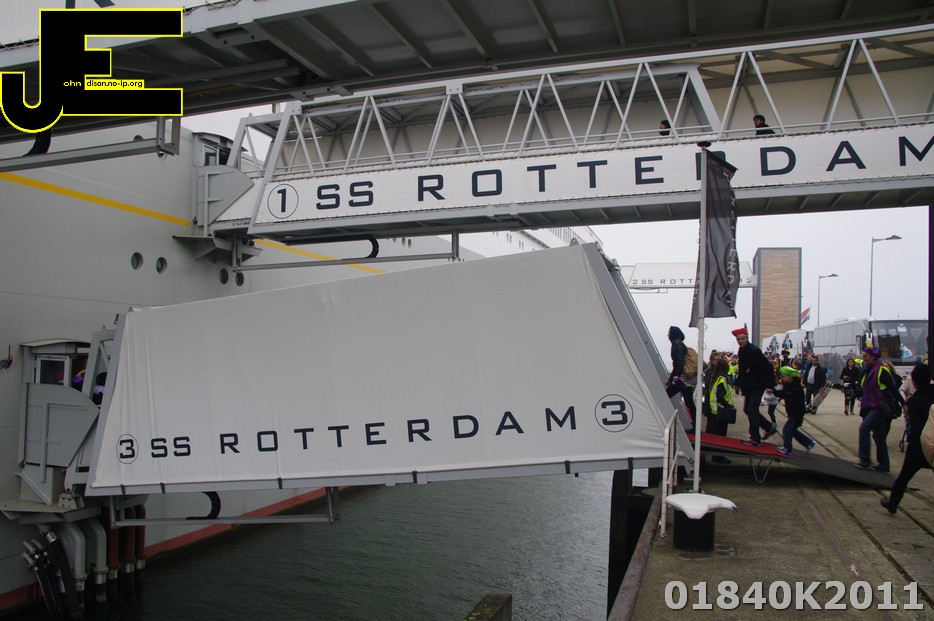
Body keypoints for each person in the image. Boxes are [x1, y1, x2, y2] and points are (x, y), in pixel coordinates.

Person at [880, 364, 934, 513]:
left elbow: (916, 427)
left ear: (914, 382)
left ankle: (892, 504)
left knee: (904, 477)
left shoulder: (914, 401)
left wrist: (913, 444)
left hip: (920, 445)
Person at [855, 347, 906, 472]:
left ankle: (865, 460)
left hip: (879, 407)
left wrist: (904, 404)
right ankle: (884, 465)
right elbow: (864, 388)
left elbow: (893, 389)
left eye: (865, 357)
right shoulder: (866, 370)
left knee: (864, 429)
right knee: (879, 436)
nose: (863, 359)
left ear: (873, 357)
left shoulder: (882, 371)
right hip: (869, 406)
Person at [733, 327, 777, 446]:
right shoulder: (742, 350)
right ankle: (769, 426)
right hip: (749, 385)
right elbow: (743, 369)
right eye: (738, 339)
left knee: (752, 410)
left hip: (758, 384)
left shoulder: (754, 350)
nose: (740, 341)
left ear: (747, 338)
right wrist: (737, 382)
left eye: (742, 339)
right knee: (748, 409)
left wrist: (770, 385)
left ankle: (755, 438)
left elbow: (768, 367)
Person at [774, 366, 817, 456]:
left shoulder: (796, 388)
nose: (782, 378)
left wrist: (796, 415)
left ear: (790, 376)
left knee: (787, 429)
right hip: (792, 412)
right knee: (793, 430)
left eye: (783, 376)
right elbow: (783, 394)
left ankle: (787, 448)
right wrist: (774, 392)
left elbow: (793, 399)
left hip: (796, 414)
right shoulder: (788, 385)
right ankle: (809, 443)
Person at [704, 358, 734, 464]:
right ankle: (718, 457)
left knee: (713, 433)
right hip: (721, 410)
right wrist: (728, 405)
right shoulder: (722, 379)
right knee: (720, 435)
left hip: (715, 410)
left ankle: (711, 454)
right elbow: (720, 395)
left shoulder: (715, 378)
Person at [665, 326, 697, 425]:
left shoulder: (676, 344)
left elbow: (679, 361)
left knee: (666, 395)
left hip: (681, 380)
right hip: (685, 379)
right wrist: (670, 380)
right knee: (689, 402)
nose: (668, 335)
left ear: (673, 334)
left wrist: (676, 376)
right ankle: (696, 425)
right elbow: (677, 363)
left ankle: (663, 418)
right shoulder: (680, 343)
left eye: (669, 332)